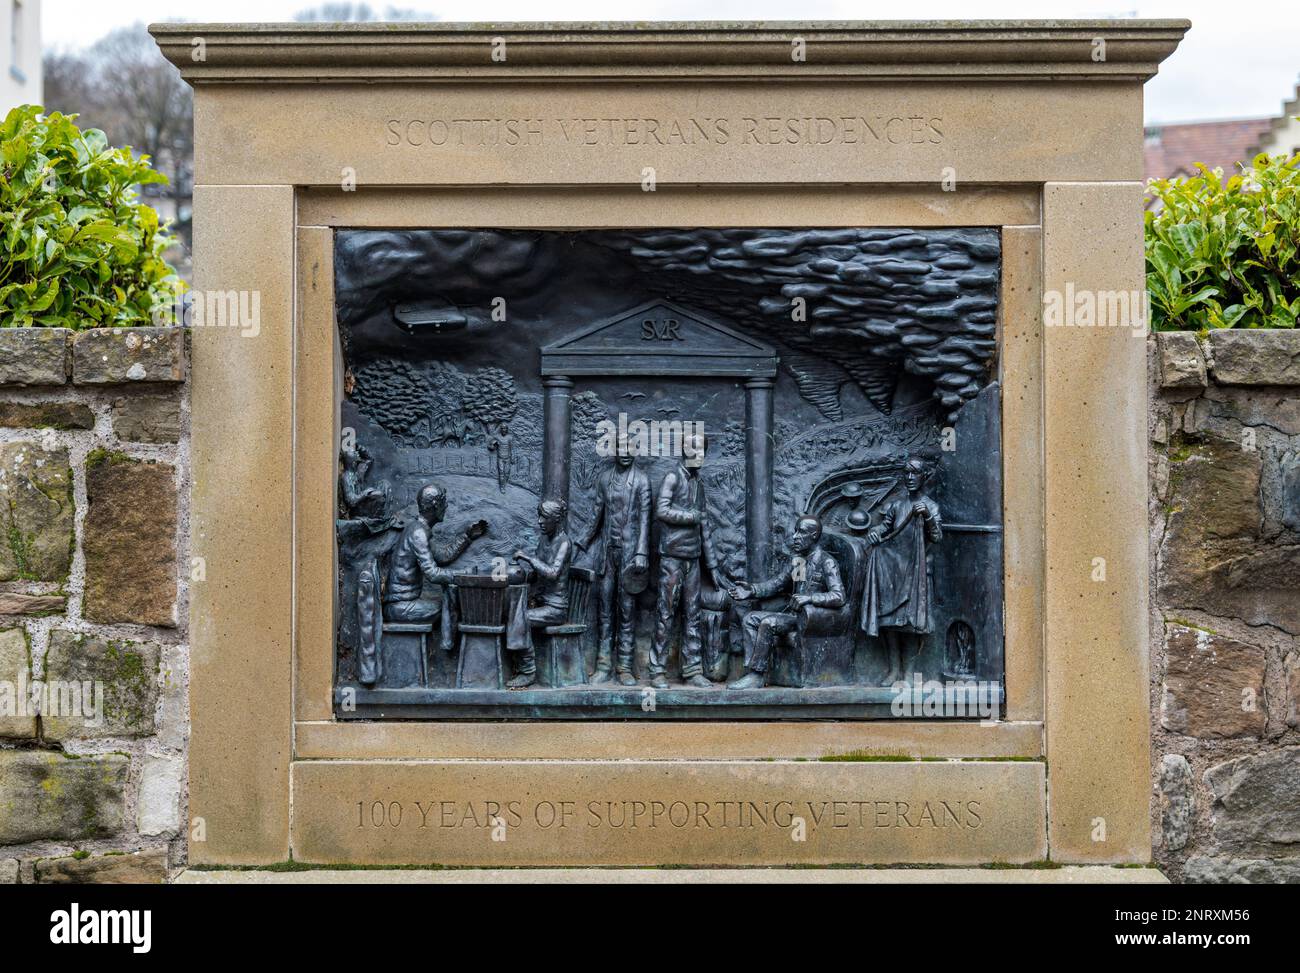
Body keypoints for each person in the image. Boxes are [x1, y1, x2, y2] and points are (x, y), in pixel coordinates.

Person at [651, 432, 733, 689]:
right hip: (672, 558)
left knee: (693, 615)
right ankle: (657, 671)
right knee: (666, 613)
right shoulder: (672, 477)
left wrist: (713, 567)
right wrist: (691, 516)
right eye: (695, 451)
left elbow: (705, 527)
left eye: (702, 452)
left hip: (693, 559)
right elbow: (661, 510)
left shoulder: (698, 485)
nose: (699, 456)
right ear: (685, 451)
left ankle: (692, 669)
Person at [727, 514, 845, 689]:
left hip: (810, 618)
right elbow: (778, 583)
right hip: (792, 615)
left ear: (813, 536)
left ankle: (757, 676)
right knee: (750, 619)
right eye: (795, 531)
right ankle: (752, 672)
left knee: (768, 623)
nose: (795, 537)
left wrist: (810, 598)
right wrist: (751, 590)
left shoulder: (826, 562)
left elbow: (839, 596)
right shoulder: (799, 561)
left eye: (801, 532)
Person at [861, 457, 943, 686]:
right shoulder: (897, 505)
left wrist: (927, 516)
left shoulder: (930, 506)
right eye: (906, 473)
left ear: (923, 476)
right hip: (893, 570)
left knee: (909, 623)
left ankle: (908, 674)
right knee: (889, 621)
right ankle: (893, 669)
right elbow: (884, 528)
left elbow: (937, 537)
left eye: (914, 473)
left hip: (916, 573)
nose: (909, 478)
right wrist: (875, 532)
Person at [580, 445, 651, 686]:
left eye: (631, 449)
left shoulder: (642, 481)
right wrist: (582, 541)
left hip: (631, 556)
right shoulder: (604, 479)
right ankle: (603, 665)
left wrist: (641, 552)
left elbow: (644, 520)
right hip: (607, 553)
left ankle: (624, 667)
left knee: (627, 611)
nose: (626, 453)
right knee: (605, 610)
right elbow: (596, 513)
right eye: (622, 448)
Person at [384, 483, 488, 628]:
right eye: (443, 502)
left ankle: (449, 644)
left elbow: (442, 556)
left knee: (449, 603)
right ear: (435, 505)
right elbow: (432, 574)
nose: (446, 506)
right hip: (400, 607)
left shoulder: (420, 529)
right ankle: (448, 646)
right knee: (449, 605)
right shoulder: (418, 533)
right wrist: (463, 575)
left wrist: (467, 536)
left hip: (403, 605)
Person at [506, 498, 573, 688]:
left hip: (556, 607)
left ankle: (528, 672)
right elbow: (537, 574)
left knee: (521, 618)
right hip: (541, 601)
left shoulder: (564, 543)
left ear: (556, 520)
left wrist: (528, 558)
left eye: (544, 518)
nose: (539, 522)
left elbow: (552, 573)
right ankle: (516, 664)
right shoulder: (544, 539)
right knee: (510, 611)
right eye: (539, 517)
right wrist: (518, 575)